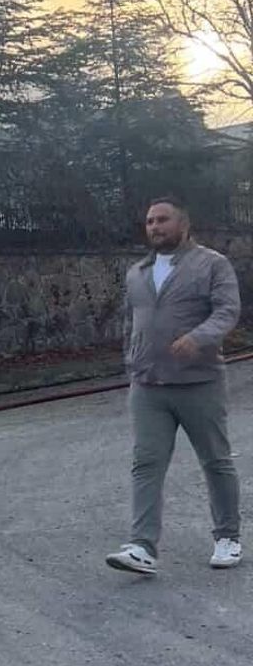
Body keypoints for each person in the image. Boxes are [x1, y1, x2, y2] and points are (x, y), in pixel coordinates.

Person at [106, 198, 242, 575]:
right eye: (149, 221)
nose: (154, 226)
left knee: (215, 460)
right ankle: (142, 547)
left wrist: (199, 337)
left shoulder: (212, 264)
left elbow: (228, 311)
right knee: (146, 463)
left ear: (184, 223)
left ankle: (228, 537)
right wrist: (131, 361)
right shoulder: (137, 272)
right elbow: (131, 322)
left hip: (200, 383)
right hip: (149, 386)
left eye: (163, 219)